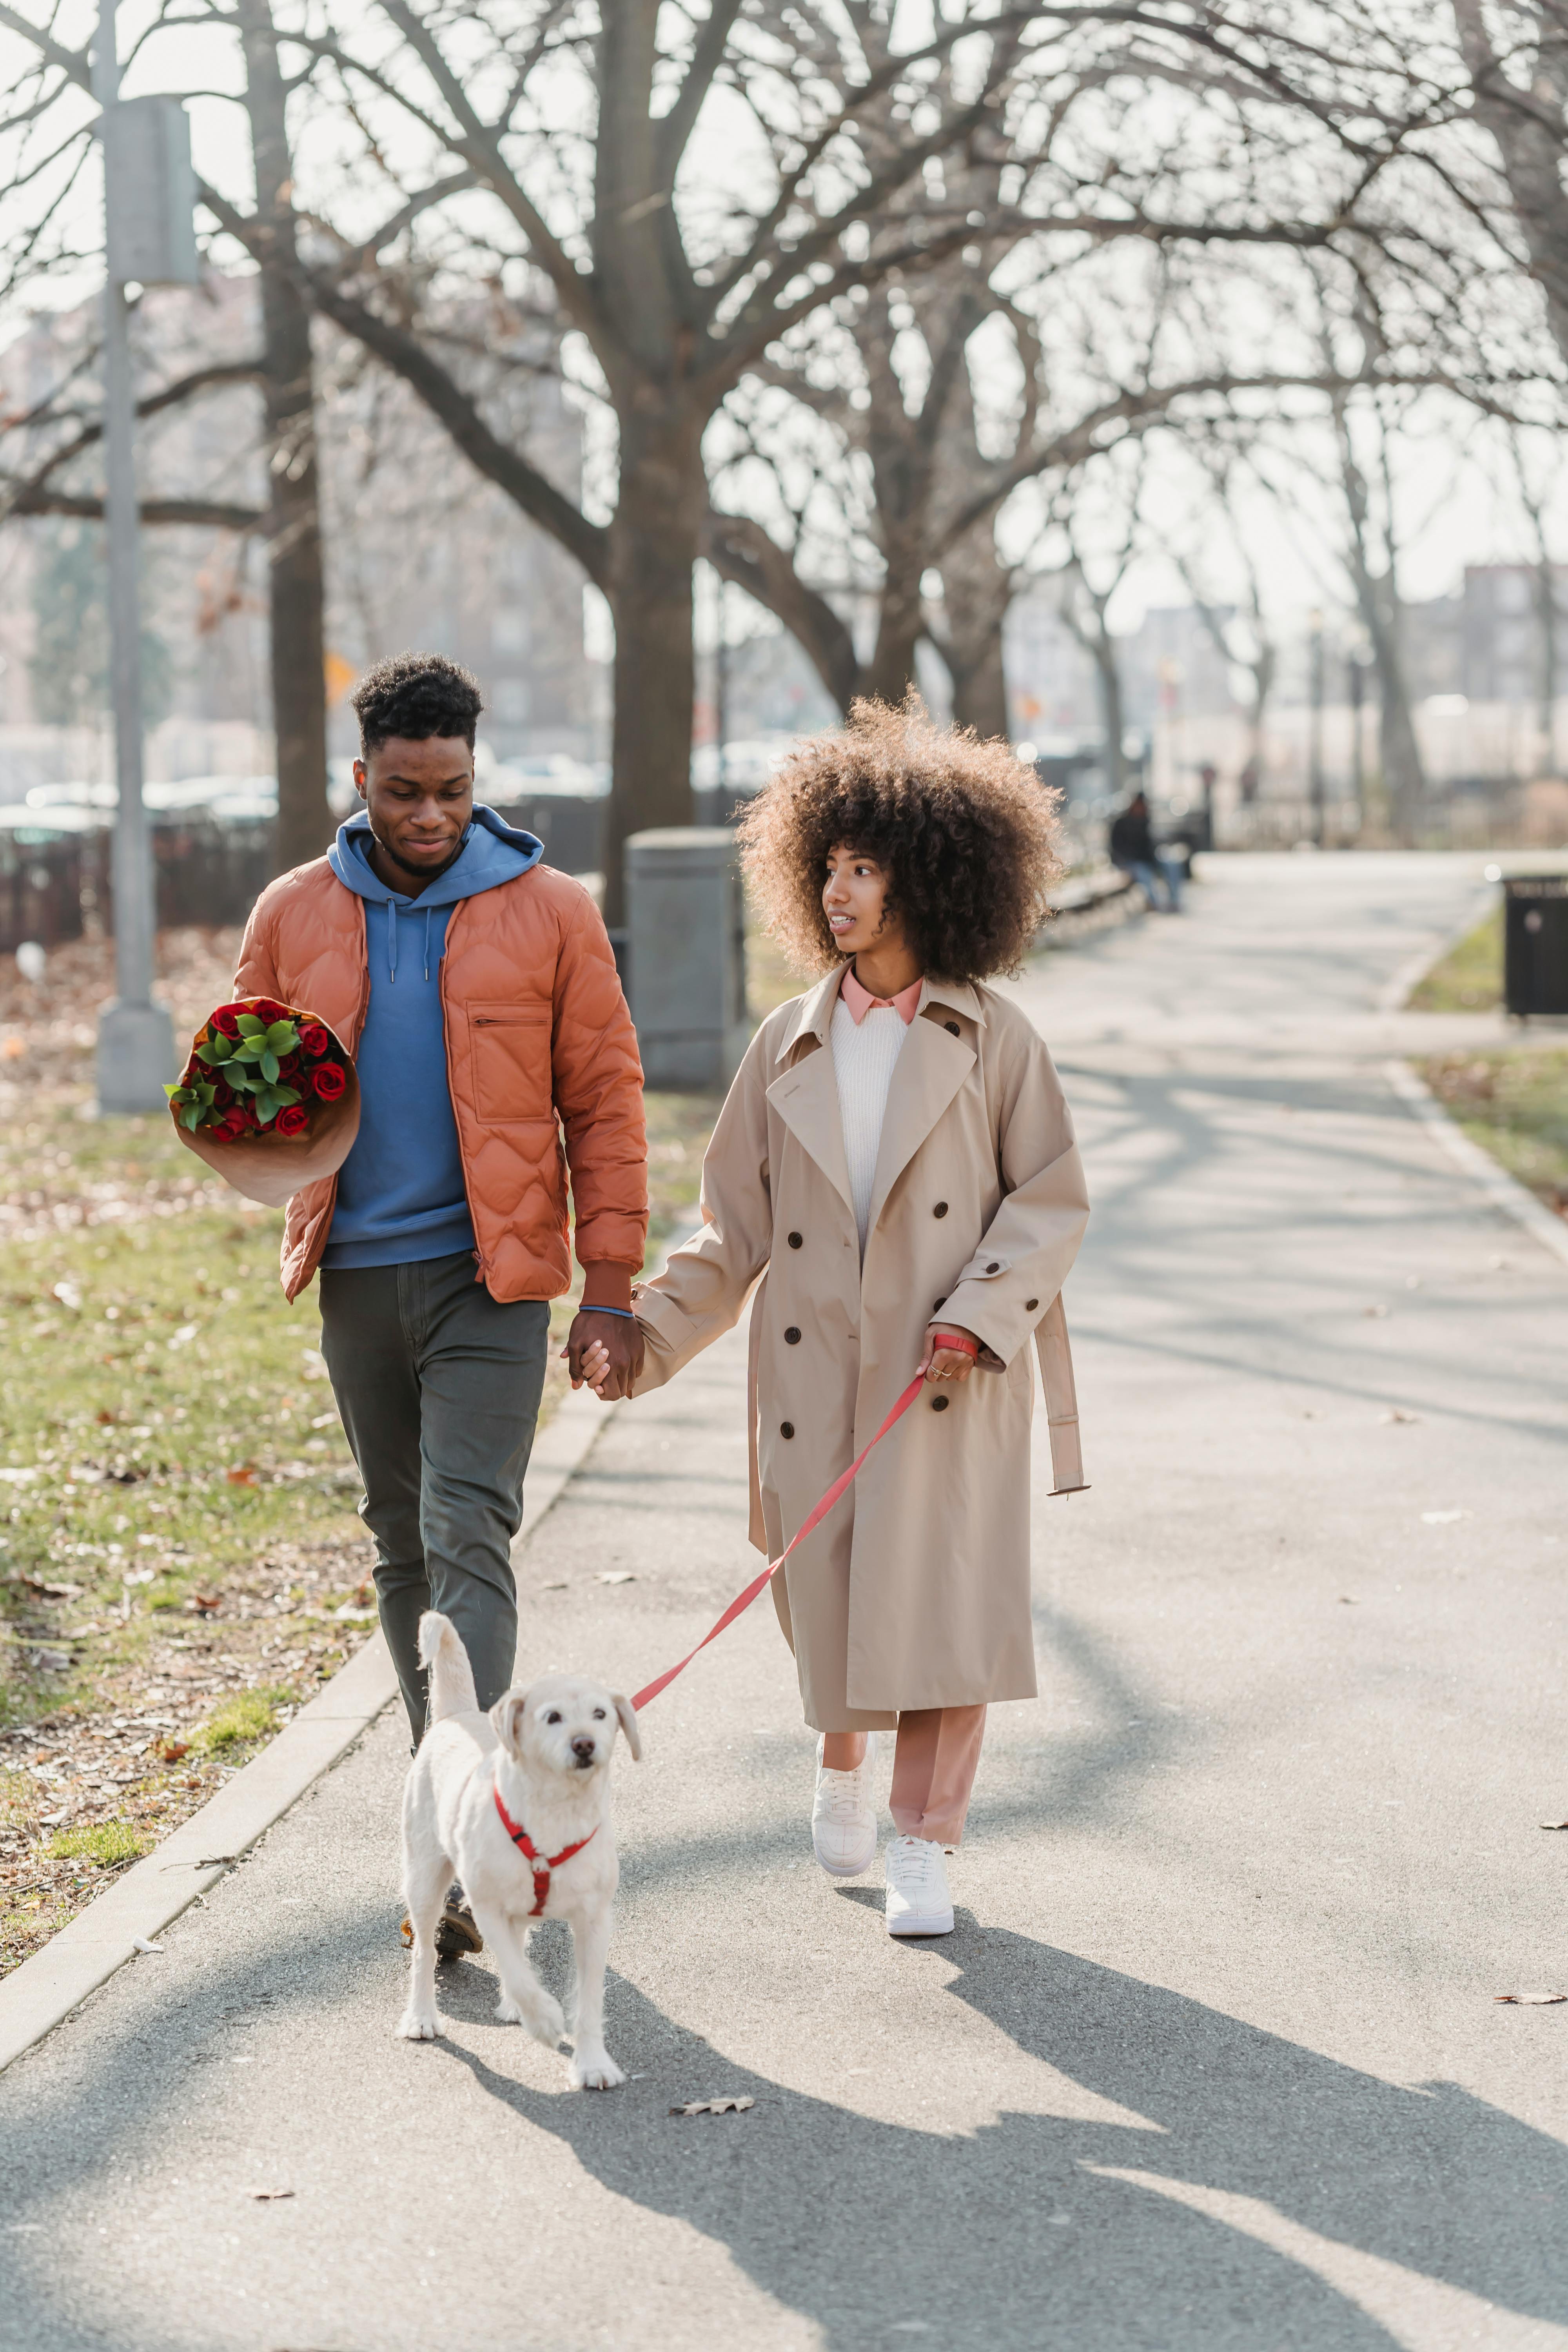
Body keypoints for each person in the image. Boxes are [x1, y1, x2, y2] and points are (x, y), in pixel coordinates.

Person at [583, 701, 1089, 1938]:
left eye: (864, 867)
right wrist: (637, 1334)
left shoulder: (993, 1036)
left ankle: (925, 1844)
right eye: (828, 864)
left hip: (946, 1371)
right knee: (829, 1598)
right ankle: (840, 1759)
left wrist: (981, 1314)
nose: (838, 887)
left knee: (943, 1607)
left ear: (930, 879)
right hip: (817, 1378)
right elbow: (730, 1229)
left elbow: (1051, 1197)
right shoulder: (785, 1040)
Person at [234, 652, 646, 1953]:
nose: (428, 815)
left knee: (465, 1528)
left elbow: (608, 1100)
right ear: (362, 780)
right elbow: (247, 1078)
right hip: (356, 1275)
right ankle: (453, 1808)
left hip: (496, 1280)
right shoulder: (296, 911)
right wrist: (240, 1119)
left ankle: (480, 1857)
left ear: (478, 779)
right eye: (405, 791)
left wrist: (614, 1286)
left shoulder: (550, 911)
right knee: (399, 1548)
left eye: (452, 791)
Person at [1108, 789, 1183, 911]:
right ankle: (1155, 905)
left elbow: (1151, 846)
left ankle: (1174, 902)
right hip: (1129, 863)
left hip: (1147, 861)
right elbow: (1116, 848)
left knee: (1172, 865)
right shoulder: (1121, 823)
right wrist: (1124, 863)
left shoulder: (1146, 822)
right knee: (1145, 875)